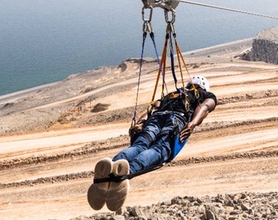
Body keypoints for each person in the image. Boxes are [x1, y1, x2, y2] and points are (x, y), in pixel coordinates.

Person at [87, 75, 218, 212]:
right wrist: (192, 123)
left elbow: (152, 109)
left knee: (138, 146)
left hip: (155, 119)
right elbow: (205, 107)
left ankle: (113, 165)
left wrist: (140, 122)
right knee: (159, 150)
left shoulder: (172, 94)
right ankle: (127, 171)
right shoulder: (205, 95)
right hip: (176, 119)